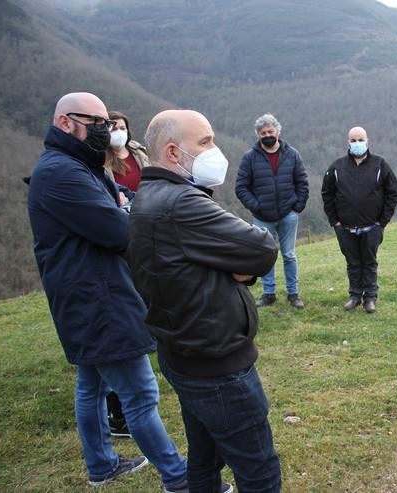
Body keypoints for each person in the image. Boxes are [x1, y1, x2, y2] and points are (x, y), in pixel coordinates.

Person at [26, 92, 188, 490]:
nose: (106, 129)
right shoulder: (62, 173)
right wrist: (124, 212)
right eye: (96, 122)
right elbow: (118, 231)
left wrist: (122, 206)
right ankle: (179, 478)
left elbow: (122, 203)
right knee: (139, 394)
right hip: (97, 297)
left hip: (86, 292)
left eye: (108, 121)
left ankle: (101, 465)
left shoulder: (79, 166)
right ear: (65, 122)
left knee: (92, 385)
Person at [128, 109, 282, 493]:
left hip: (183, 352)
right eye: (205, 142)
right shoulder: (181, 203)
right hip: (217, 365)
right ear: (174, 153)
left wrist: (234, 265)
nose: (216, 150)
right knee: (258, 469)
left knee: (204, 456)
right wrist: (239, 267)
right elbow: (262, 249)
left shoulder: (147, 196)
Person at [103, 110, 150, 438]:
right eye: (111, 127)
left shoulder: (139, 154)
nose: (117, 132)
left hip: (145, 221)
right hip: (121, 228)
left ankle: (150, 331)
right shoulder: (101, 162)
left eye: (121, 127)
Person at [321, 126, 397, 313]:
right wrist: (335, 222)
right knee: (353, 262)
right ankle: (355, 295)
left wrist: (382, 222)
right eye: (353, 140)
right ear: (347, 142)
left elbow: (393, 193)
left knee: (370, 261)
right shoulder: (337, 167)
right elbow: (327, 194)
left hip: (372, 227)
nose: (357, 143)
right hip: (345, 228)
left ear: (368, 141)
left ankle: (370, 298)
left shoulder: (380, 165)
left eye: (360, 140)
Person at [235, 113, 309, 309]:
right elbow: (241, 186)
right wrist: (256, 206)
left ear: (278, 131)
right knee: (265, 256)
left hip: (288, 215)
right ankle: (269, 294)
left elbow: (302, 182)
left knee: (289, 255)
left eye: (270, 131)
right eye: (263, 132)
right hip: (262, 218)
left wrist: (297, 207)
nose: (267, 135)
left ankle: (293, 294)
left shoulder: (292, 154)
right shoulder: (250, 158)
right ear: (258, 135)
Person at [104, 110, 149, 192]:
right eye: (114, 129)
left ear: (127, 131)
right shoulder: (100, 159)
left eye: (122, 128)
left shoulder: (140, 152)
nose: (119, 132)